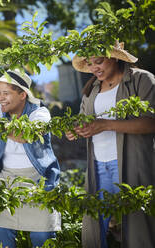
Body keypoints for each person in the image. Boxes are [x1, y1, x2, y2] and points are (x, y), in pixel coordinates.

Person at [66, 41, 155, 248]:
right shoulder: (91, 89)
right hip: (98, 167)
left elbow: (151, 122)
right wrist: (75, 131)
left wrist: (106, 124)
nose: (94, 68)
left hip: (131, 164)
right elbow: (83, 121)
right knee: (93, 228)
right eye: (89, 64)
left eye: (98, 61)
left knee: (138, 226)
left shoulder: (141, 79)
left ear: (114, 57)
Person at [0, 69, 61, 248]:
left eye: (6, 93)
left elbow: (25, 135)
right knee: (2, 235)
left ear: (22, 95)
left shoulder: (40, 113)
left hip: (38, 181)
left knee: (41, 238)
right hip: (7, 181)